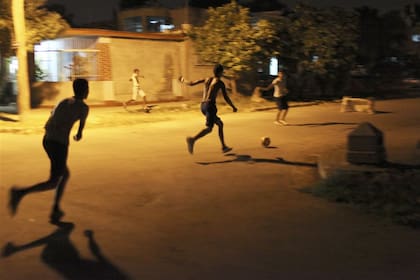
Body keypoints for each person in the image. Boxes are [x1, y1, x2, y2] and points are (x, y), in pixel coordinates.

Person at [8, 78, 90, 223]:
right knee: (53, 181)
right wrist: (77, 135)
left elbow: (51, 117)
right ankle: (20, 193)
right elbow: (80, 131)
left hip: (47, 140)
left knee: (64, 175)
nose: (88, 90)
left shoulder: (63, 102)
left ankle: (55, 210)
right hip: (60, 144)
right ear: (84, 90)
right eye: (87, 88)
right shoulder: (83, 108)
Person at [180, 64, 237, 154]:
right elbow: (226, 97)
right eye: (222, 72)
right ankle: (192, 140)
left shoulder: (207, 79)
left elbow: (191, 83)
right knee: (209, 128)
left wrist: (183, 80)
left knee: (220, 124)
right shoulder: (220, 83)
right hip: (210, 106)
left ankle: (223, 147)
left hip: (203, 106)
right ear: (220, 72)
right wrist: (233, 107)